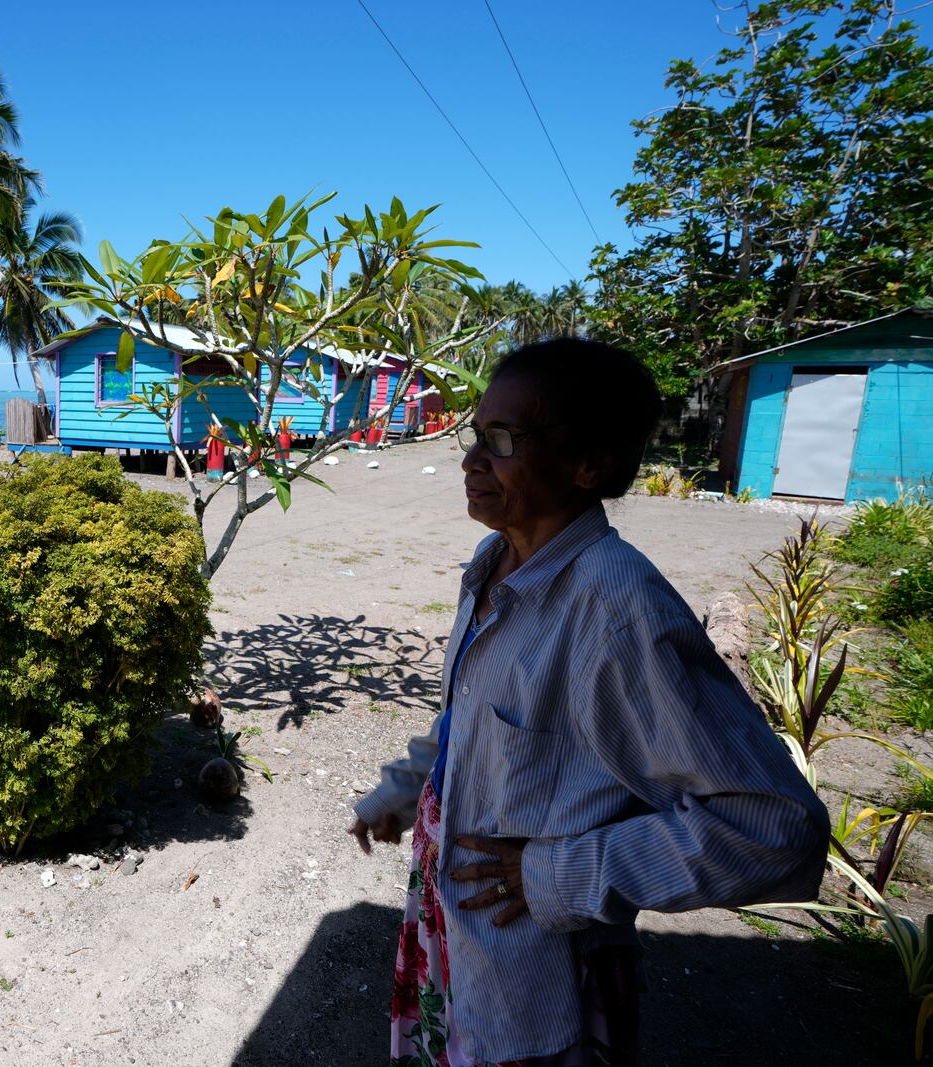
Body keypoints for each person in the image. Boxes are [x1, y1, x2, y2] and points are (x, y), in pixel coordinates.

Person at [349, 338, 829, 1066]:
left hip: (538, 988)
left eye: (504, 439)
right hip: (465, 948)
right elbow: (472, 717)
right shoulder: (496, 566)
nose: (475, 460)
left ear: (588, 465)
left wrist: (558, 874)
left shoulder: (617, 609)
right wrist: (408, 787)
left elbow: (773, 827)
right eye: (477, 436)